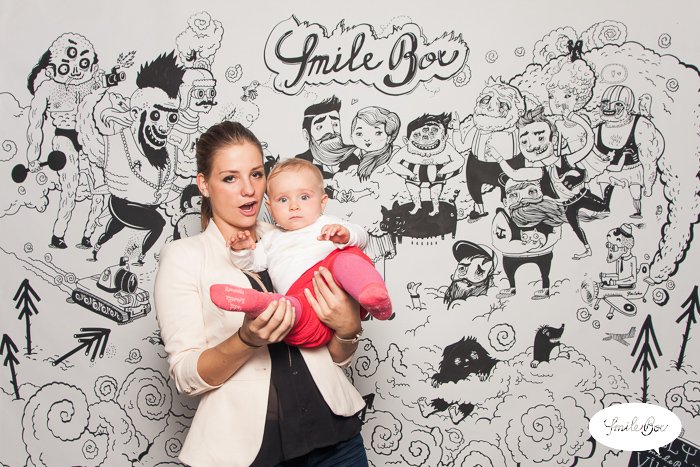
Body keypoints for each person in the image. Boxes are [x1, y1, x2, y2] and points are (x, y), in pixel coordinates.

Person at [154, 121, 369, 466]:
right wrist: (247, 340)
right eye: (230, 178)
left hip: (336, 440)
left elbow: (336, 358)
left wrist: (347, 328)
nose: (248, 190)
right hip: (248, 453)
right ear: (204, 185)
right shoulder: (184, 257)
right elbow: (186, 377)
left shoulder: (295, 236)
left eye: (256, 174)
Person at [210, 158, 393, 348]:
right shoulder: (270, 239)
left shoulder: (328, 223)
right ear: (270, 208)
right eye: (283, 200)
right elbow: (251, 263)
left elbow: (362, 237)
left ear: (322, 202)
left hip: (340, 288)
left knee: (348, 258)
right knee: (286, 310)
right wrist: (240, 249)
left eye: (304, 197)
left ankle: (373, 293)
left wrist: (346, 235)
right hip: (303, 302)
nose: (294, 206)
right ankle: (257, 303)